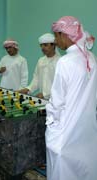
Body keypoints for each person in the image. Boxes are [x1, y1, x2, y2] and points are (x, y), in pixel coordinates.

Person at [45, 16, 97, 180]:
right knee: (84, 166)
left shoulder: (65, 62)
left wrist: (51, 124)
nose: (55, 40)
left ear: (66, 35)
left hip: (66, 129)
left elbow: (57, 103)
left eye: (57, 35)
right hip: (86, 128)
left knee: (63, 168)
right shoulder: (91, 58)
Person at [19, 33, 61, 100]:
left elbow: (60, 84)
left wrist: (45, 94)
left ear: (53, 45)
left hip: (57, 100)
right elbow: (36, 79)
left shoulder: (60, 62)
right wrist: (28, 89)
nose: (42, 48)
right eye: (41, 45)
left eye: (45, 45)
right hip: (42, 100)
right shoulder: (41, 61)